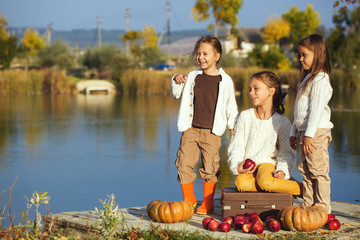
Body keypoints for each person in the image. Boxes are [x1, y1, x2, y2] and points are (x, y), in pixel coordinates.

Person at [171, 35, 238, 215]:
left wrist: (233, 125)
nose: (201, 57)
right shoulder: (193, 76)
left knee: (210, 167)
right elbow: (177, 93)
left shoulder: (225, 81)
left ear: (217, 56)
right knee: (183, 163)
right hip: (190, 129)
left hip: (212, 132)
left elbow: (231, 106)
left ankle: (207, 203)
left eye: (205, 54)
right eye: (198, 53)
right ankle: (189, 199)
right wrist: (175, 79)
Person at [228, 71, 301, 196]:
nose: (251, 93)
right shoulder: (245, 116)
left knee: (265, 181)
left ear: (271, 91)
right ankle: (276, 187)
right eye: (250, 89)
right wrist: (237, 166)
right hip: (249, 166)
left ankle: (303, 189)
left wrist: (282, 170)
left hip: (268, 165)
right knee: (240, 183)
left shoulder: (282, 122)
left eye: (256, 89)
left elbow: (287, 153)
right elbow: (237, 145)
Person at [289, 34, 333, 214]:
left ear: (318, 54)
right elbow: (299, 111)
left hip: (316, 133)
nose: (300, 59)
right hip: (304, 133)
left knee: (318, 170)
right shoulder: (307, 79)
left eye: (304, 55)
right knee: (305, 170)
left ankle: (323, 207)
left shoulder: (321, 79)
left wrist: (308, 135)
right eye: (299, 55)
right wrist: (294, 132)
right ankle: (308, 204)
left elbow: (315, 111)